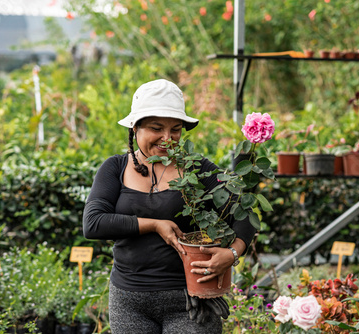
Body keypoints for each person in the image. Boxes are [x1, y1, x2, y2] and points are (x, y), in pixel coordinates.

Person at [82, 79, 256, 333]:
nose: (167, 138)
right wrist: (154, 225)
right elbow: (93, 223)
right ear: (135, 127)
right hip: (129, 303)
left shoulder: (197, 169)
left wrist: (232, 254)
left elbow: (243, 212)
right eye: (156, 128)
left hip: (189, 300)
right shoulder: (115, 168)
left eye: (176, 129)